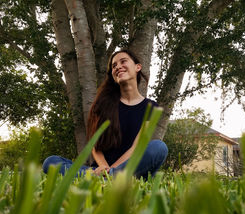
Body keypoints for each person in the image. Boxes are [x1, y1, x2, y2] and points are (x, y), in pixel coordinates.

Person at [42, 49, 168, 180]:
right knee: (51, 162)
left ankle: (106, 178)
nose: (118, 66)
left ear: (138, 67)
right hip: (98, 170)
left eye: (123, 61)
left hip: (129, 168)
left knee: (159, 147)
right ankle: (106, 178)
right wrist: (103, 169)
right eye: (114, 66)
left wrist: (111, 171)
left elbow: (137, 147)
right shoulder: (104, 104)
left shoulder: (152, 108)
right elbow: (95, 145)